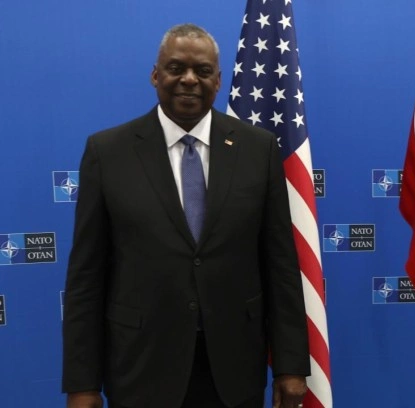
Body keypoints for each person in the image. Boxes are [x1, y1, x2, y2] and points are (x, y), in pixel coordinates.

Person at [62, 24, 309, 408]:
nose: (189, 79)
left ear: (218, 80)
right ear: (155, 75)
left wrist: (290, 366)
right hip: (141, 367)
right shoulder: (107, 152)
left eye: (203, 71)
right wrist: (82, 384)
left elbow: (281, 266)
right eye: (176, 68)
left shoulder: (259, 150)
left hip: (235, 368)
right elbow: (86, 279)